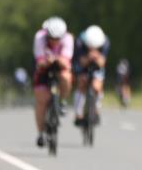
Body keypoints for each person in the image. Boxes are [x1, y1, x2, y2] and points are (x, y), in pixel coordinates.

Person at [32, 16, 74, 147]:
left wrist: (57, 59)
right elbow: (39, 62)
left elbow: (66, 62)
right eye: (51, 38)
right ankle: (40, 133)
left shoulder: (68, 38)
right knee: (41, 100)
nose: (54, 41)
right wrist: (45, 62)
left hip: (60, 67)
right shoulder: (39, 37)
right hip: (44, 68)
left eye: (57, 39)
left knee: (66, 77)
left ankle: (62, 101)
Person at [72, 25, 110, 127]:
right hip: (81, 63)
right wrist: (89, 57)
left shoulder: (105, 41)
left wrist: (96, 57)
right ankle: (78, 113)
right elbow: (81, 61)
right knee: (81, 83)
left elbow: (102, 62)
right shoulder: (79, 41)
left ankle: (96, 110)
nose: (93, 48)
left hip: (97, 65)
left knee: (97, 87)